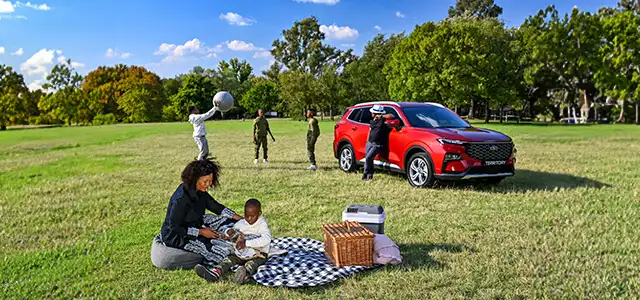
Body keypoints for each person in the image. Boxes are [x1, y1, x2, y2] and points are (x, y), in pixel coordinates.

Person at [158, 159, 243, 268]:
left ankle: (232, 235)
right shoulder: (181, 200)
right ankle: (233, 260)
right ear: (194, 179)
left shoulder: (199, 191)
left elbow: (216, 207)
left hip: (195, 222)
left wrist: (241, 219)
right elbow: (174, 227)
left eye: (210, 181)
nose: (209, 184)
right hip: (177, 235)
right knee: (210, 247)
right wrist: (201, 232)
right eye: (205, 181)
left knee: (227, 220)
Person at [194, 198, 272, 284]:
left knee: (252, 264)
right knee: (229, 259)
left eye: (252, 216)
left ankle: (244, 274)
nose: (249, 219)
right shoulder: (242, 223)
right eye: (247, 216)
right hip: (241, 253)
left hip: (258, 254)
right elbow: (233, 230)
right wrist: (228, 233)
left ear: (259, 213)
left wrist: (246, 243)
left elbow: (266, 239)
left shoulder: (262, 224)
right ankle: (215, 273)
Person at [363, 104, 397, 181]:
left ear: (376, 113)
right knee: (368, 158)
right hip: (369, 143)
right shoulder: (372, 121)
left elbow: (392, 116)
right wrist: (367, 141)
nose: (371, 113)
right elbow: (370, 131)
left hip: (377, 144)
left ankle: (365, 173)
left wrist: (382, 116)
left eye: (373, 112)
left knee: (368, 158)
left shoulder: (382, 121)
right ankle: (369, 175)